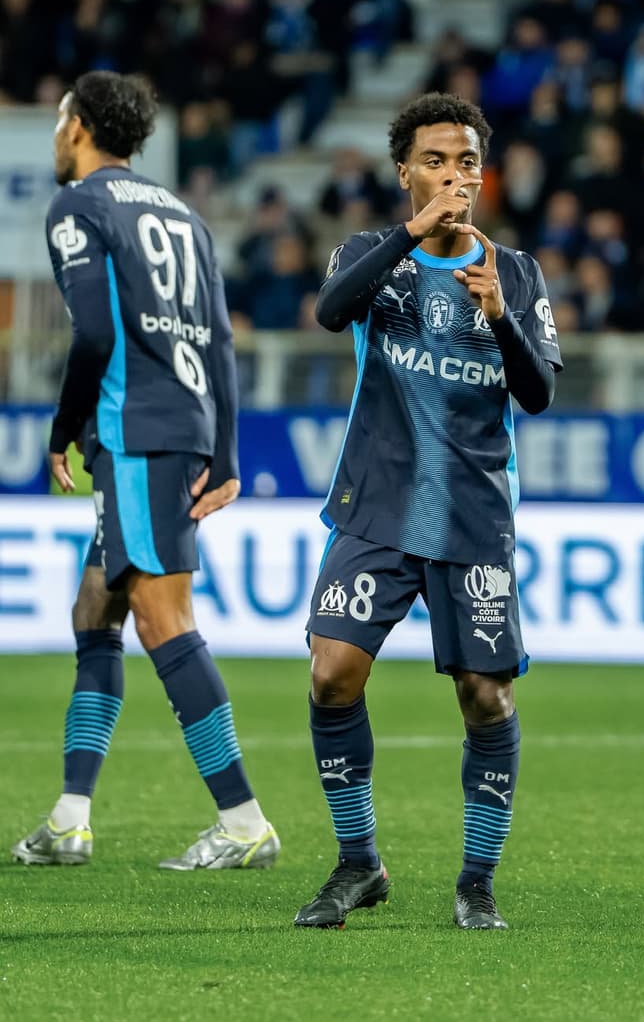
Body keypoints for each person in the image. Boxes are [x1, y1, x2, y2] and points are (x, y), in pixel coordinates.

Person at [294, 92, 563, 931]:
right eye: (438, 161)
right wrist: (413, 236)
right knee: (332, 673)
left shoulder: (515, 273)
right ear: (405, 171)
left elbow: (540, 392)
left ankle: (476, 880)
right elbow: (331, 310)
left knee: (486, 696)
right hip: (376, 504)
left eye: (468, 163)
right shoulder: (373, 253)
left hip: (473, 516)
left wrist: (499, 317)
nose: (455, 176)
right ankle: (358, 862)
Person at [11, 71, 279, 871]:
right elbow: (223, 341)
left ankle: (242, 820)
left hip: (137, 431)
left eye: (61, 119)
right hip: (184, 427)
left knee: (163, 620)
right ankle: (69, 818)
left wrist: (61, 430)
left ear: (81, 126)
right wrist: (225, 452)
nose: (57, 134)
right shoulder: (184, 215)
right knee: (97, 611)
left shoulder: (79, 208)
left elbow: (93, 333)